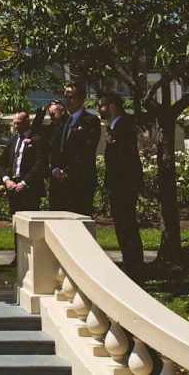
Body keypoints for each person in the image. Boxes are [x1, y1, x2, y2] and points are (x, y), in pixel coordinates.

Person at [99, 93, 144, 278]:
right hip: (118, 186)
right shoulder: (114, 127)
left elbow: (129, 159)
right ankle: (130, 261)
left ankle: (134, 265)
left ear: (113, 106)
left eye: (102, 105)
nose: (99, 109)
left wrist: (134, 185)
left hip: (124, 186)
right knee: (122, 225)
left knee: (127, 225)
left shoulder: (124, 127)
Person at [48, 84, 100, 216]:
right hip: (58, 182)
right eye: (66, 97)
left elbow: (85, 150)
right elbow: (53, 147)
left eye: (72, 97)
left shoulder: (90, 121)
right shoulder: (62, 121)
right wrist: (54, 169)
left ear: (82, 99)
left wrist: (66, 171)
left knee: (78, 224)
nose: (67, 101)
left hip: (79, 180)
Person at [0, 110, 47, 215]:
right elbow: (2, 162)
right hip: (13, 187)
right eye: (14, 123)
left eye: (18, 123)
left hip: (30, 188)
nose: (15, 126)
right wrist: (7, 180)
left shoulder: (37, 139)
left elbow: (39, 163)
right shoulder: (13, 140)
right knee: (16, 222)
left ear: (27, 122)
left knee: (30, 224)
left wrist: (25, 182)